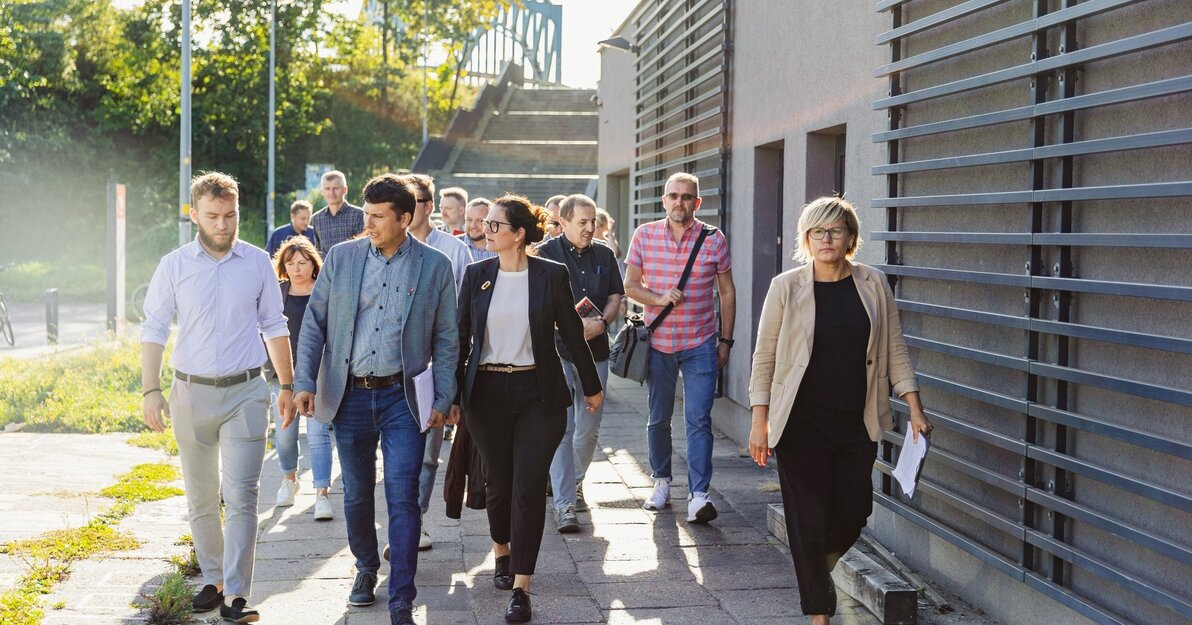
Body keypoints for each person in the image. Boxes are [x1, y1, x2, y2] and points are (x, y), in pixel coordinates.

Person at [747, 196, 932, 625]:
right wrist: (761, 420)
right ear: (806, 239)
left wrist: (914, 407)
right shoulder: (786, 286)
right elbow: (765, 356)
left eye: (835, 231)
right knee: (807, 516)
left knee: (853, 512)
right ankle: (819, 612)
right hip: (799, 423)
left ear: (850, 237)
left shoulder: (873, 283)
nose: (826, 239)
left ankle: (816, 570)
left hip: (856, 420)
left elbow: (894, 349)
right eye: (817, 232)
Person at [293, 173, 458, 625]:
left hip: (403, 399)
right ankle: (366, 569)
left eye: (379, 216)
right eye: (366, 214)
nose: (369, 223)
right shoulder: (342, 259)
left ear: (406, 218)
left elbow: (446, 337)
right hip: (349, 396)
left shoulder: (434, 266)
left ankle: (402, 594)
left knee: (404, 497)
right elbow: (314, 325)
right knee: (357, 495)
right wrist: (303, 382)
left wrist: (445, 396)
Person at [141, 171, 293, 624]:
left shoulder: (257, 263)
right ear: (195, 216)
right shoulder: (173, 265)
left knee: (243, 495)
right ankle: (214, 578)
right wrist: (151, 389)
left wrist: (286, 385)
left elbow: (275, 324)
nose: (224, 225)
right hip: (189, 392)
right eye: (213, 216)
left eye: (231, 215)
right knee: (202, 496)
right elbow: (152, 328)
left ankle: (237, 596)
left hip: (247, 390)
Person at [451, 194, 603, 623]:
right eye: (488, 225)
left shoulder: (550, 275)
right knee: (498, 483)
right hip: (486, 393)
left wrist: (592, 388)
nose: (487, 230)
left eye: (496, 225)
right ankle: (501, 550)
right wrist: (450, 397)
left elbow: (573, 336)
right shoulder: (476, 274)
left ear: (519, 235)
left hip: (539, 392)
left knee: (529, 486)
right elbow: (461, 340)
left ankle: (522, 585)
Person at [623, 172, 736, 523]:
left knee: (698, 419)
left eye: (687, 197)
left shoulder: (713, 239)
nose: (679, 202)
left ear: (697, 203)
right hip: (658, 343)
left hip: (700, 342)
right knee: (658, 419)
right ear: (664, 201)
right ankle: (661, 482)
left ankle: (699, 496)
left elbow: (727, 292)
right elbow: (629, 285)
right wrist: (657, 298)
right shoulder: (644, 235)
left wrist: (726, 339)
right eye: (673, 196)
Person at [537, 194, 623, 532]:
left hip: (596, 351)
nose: (590, 228)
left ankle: (574, 482)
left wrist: (602, 323)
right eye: (583, 223)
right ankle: (564, 505)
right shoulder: (545, 254)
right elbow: (539, 304)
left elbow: (616, 296)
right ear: (564, 222)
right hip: (557, 352)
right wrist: (570, 327)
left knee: (589, 428)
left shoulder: (604, 253)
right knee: (563, 427)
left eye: (593, 222)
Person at [405, 173, 472, 552]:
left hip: (436, 364)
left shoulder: (453, 250)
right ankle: (403, 520)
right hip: (397, 367)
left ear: (428, 207)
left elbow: (460, 318)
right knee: (397, 454)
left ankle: (417, 521)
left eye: (411, 201)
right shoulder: (385, 244)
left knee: (430, 452)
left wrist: (454, 384)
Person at [267, 235, 335, 521]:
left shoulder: (324, 291)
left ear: (313, 264)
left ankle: (322, 494)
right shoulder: (277, 292)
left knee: (319, 436)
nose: (297, 268)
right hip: (282, 376)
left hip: (318, 374)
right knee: (285, 435)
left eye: (303, 262)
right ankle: (289, 479)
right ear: (283, 265)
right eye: (291, 263)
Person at [311, 170, 364, 256]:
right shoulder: (317, 218)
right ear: (322, 191)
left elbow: (363, 248)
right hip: (327, 269)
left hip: (351, 268)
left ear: (345, 190)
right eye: (327, 188)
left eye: (336, 188)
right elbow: (318, 252)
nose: (331, 193)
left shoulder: (358, 215)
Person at [458, 197, 497, 262]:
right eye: (469, 220)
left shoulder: (501, 248)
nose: (473, 225)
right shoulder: (454, 246)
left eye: (479, 220)